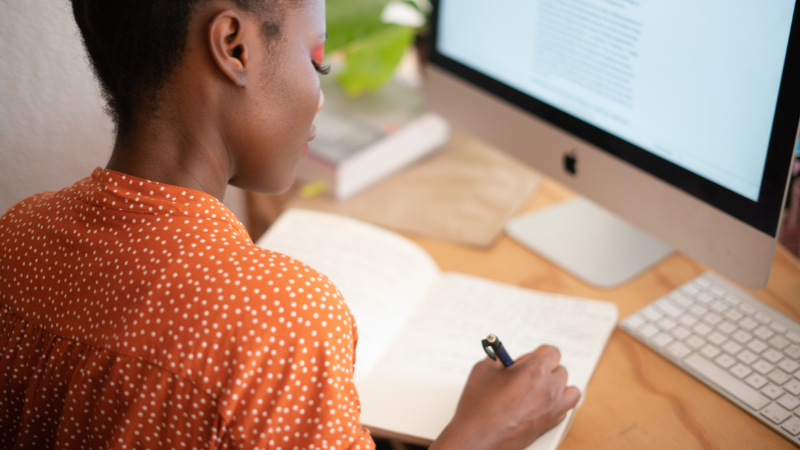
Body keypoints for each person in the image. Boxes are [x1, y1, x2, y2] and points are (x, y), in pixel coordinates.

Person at [0, 0, 580, 448]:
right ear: (235, 46)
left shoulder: (16, 237)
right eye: (316, 60)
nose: (321, 96)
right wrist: (482, 434)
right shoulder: (280, 324)